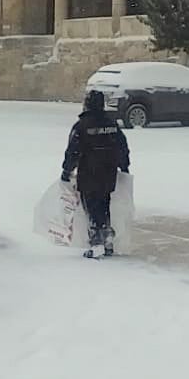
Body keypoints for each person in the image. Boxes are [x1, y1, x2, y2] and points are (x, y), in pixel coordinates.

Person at [61, 89, 130, 257]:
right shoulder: (112, 124)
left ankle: (97, 242)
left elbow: (73, 151)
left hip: (89, 174)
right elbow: (122, 146)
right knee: (104, 205)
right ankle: (106, 239)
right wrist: (124, 165)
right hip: (108, 173)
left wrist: (67, 170)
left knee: (91, 209)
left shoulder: (81, 126)